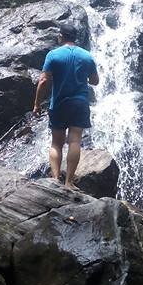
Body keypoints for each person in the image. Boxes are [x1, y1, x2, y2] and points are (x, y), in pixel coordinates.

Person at [33, 24, 99, 188]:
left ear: (61, 36)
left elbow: (43, 80)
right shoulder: (86, 56)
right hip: (80, 103)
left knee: (56, 143)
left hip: (59, 103)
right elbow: (95, 81)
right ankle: (69, 182)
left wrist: (36, 104)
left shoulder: (53, 55)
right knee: (75, 141)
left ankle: (55, 180)